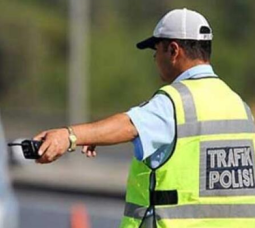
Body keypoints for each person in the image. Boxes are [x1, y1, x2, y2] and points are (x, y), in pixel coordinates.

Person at [33, 8, 255, 228]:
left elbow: (129, 124)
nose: (154, 58)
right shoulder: (239, 106)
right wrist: (99, 136)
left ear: (174, 50)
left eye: (155, 50)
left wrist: (69, 136)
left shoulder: (176, 102)